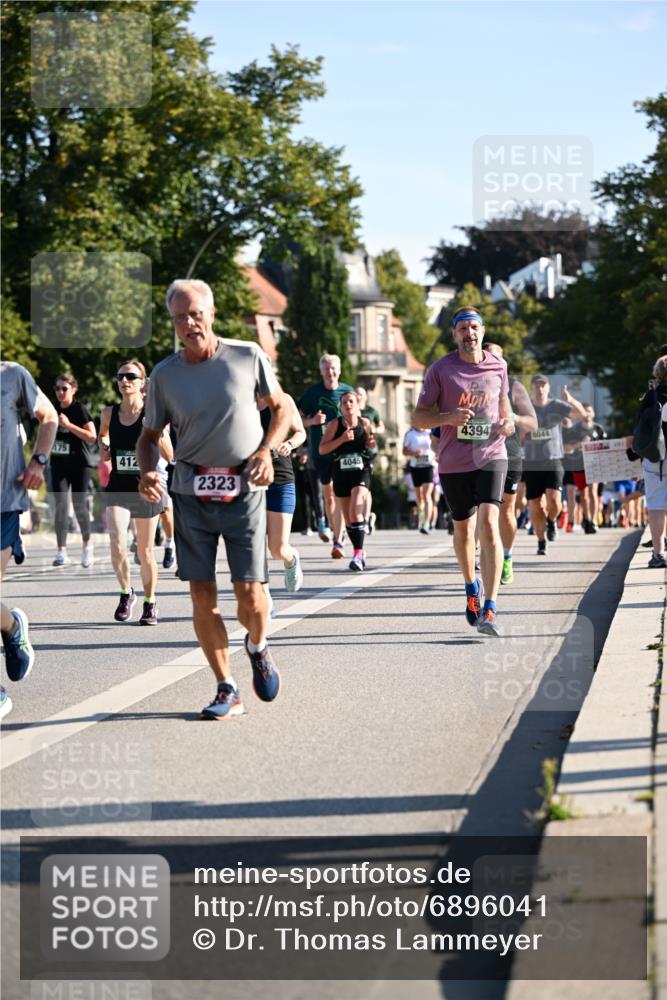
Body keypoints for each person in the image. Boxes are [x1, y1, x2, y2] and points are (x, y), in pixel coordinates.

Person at [137, 278, 291, 720]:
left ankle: (257, 645)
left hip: (243, 491)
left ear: (212, 313)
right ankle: (227, 687)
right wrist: (148, 469)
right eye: (179, 317)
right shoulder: (165, 375)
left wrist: (265, 450)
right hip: (190, 492)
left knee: (251, 596)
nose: (189, 324)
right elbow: (149, 437)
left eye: (195, 314)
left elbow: (280, 407)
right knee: (202, 596)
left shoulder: (246, 356)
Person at [412, 307, 516, 637]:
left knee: (488, 523)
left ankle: (490, 607)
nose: (469, 333)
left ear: (483, 332)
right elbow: (418, 418)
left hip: (491, 454)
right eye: (462, 329)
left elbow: (505, 408)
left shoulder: (498, 365)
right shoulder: (441, 370)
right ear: (454, 335)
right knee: (463, 533)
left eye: (474, 327)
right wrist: (446, 419)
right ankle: (471, 588)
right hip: (454, 461)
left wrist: (509, 423)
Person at [1, 361, 58, 719]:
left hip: (3, 503)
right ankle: (10, 625)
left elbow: (48, 416)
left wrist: (38, 461)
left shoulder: (11, 375)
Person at [99, 360, 171, 625]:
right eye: (121, 376)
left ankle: (150, 602)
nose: (124, 380)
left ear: (142, 383)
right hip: (118, 485)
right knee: (117, 543)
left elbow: (170, 455)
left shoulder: (153, 414)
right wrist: (103, 445)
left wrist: (159, 431)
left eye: (131, 376)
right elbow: (103, 435)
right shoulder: (108, 413)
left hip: (146, 488)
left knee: (145, 552)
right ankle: (126, 591)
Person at [484, 344, 537, 584]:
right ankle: (486, 553)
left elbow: (533, 423)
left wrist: (513, 417)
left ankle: (506, 556)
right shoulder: (470, 384)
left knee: (505, 509)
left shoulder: (515, 387)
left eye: (498, 358)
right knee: (481, 509)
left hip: (510, 453)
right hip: (479, 455)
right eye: (489, 357)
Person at [523, 374, 587, 556]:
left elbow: (582, 415)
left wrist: (571, 399)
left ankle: (552, 521)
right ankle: (541, 541)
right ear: (532, 387)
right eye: (537, 385)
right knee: (535, 504)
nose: (540, 388)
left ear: (548, 388)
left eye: (543, 385)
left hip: (553, 459)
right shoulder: (525, 407)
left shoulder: (557, 405)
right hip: (531, 461)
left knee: (554, 500)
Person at [298, 355, 354, 556]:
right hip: (320, 452)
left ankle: (339, 539)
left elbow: (357, 418)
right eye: (327, 369)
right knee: (329, 494)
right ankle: (335, 532)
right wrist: (312, 421)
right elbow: (296, 419)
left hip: (344, 452)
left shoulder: (347, 391)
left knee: (342, 494)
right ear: (321, 371)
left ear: (339, 370)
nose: (330, 373)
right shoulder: (313, 393)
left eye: (333, 369)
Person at [319, 390, 376, 571]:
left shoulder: (365, 423)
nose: (348, 405)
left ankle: (357, 555)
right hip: (341, 472)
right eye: (344, 402)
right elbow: (322, 449)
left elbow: (370, 445)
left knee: (355, 508)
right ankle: (359, 551)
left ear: (357, 404)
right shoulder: (335, 425)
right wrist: (341, 439)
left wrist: (371, 444)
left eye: (351, 401)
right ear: (341, 407)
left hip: (361, 470)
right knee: (349, 519)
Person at [258, 392, 306, 603]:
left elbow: (300, 432)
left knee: (277, 548)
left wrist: (290, 444)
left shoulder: (283, 399)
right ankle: (265, 600)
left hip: (280, 477)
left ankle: (290, 558)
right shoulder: (240, 399)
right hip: (251, 480)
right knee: (255, 546)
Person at [49, 372, 97, 567]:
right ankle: (61, 551)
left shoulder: (80, 409)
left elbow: (92, 436)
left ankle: (87, 546)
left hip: (80, 463)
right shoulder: (51, 409)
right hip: (59, 463)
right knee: (60, 506)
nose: (60, 392)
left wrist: (69, 425)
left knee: (79, 505)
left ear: (73, 389)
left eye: (64, 388)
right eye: (57, 389)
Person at [628, 355, 667, 568]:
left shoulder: (650, 397)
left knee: (656, 506)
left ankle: (658, 554)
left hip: (655, 458)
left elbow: (639, 427)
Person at [356, 385, 384, 534]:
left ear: (365, 396)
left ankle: (366, 519)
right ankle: (362, 517)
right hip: (353, 453)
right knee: (356, 488)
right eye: (356, 394)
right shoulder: (350, 410)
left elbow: (382, 427)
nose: (358, 396)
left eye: (361, 394)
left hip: (369, 452)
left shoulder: (371, 411)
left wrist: (374, 429)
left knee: (365, 487)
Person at [402, 425, 436, 534]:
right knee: (419, 497)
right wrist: (413, 453)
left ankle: (426, 523)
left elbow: (437, 443)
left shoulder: (430, 431)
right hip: (415, 467)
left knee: (427, 495)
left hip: (429, 465)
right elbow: (404, 451)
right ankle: (421, 519)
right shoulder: (410, 434)